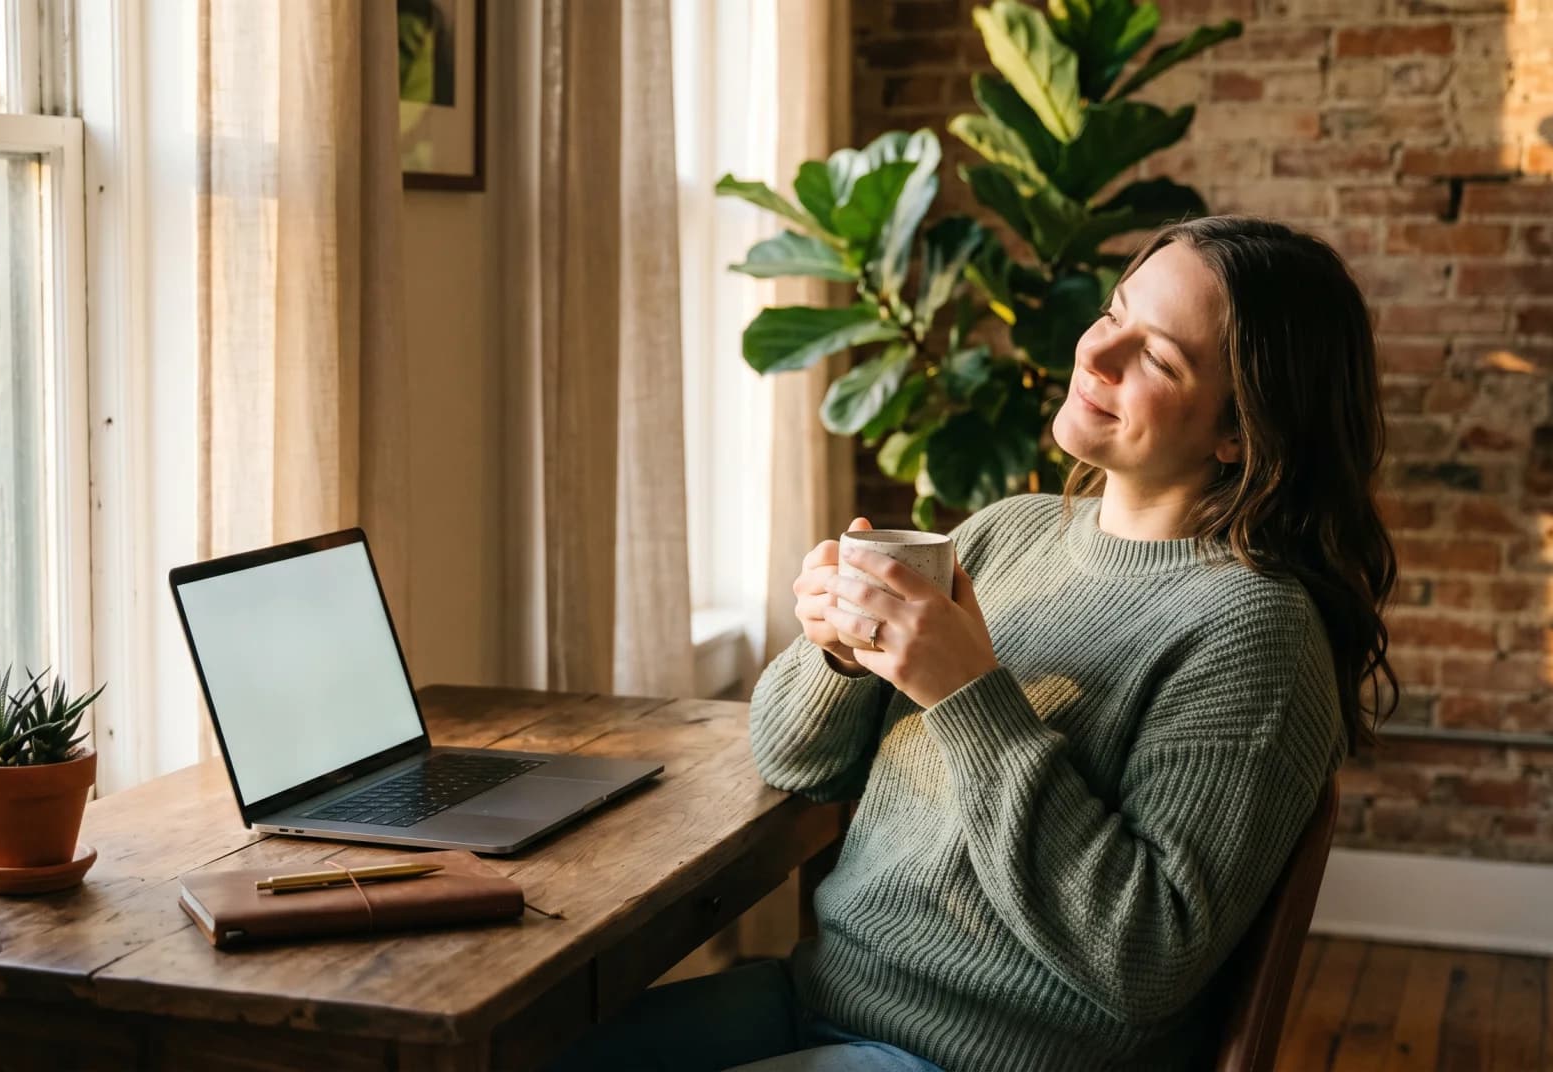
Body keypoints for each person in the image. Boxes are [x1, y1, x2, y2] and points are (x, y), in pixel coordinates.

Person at [547, 215, 1399, 1071]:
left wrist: (966, 693)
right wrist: (840, 655)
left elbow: (1145, 959)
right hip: (821, 998)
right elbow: (791, 760)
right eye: (1113, 313)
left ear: (1242, 435)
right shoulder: (1006, 536)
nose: (1097, 357)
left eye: (1160, 359)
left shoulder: (1255, 636)